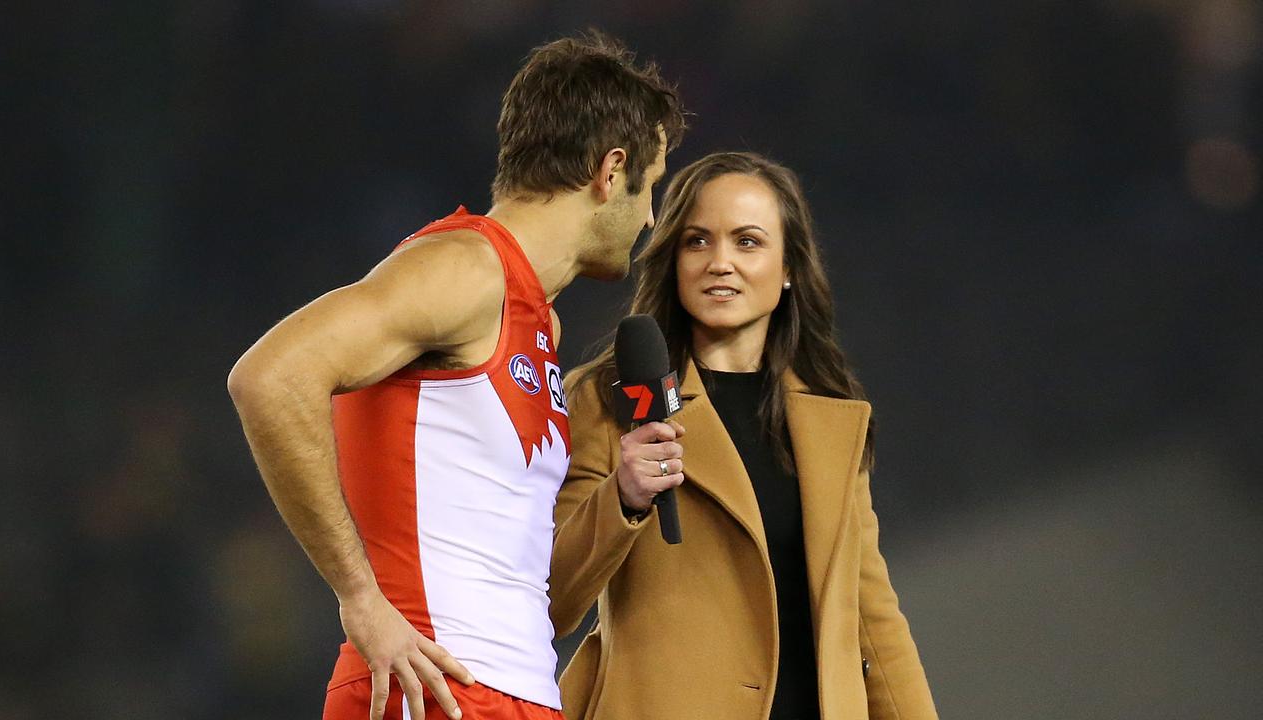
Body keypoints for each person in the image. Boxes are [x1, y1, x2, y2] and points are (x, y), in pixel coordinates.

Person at [227, 32, 684, 720]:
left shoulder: (537, 323)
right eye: (651, 188)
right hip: (431, 688)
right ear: (611, 171)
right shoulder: (465, 270)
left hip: (515, 692)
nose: (651, 216)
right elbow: (270, 377)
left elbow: (524, 584)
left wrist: (621, 495)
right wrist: (360, 597)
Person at [549, 152, 937, 720]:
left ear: (788, 269)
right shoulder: (609, 400)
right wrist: (623, 498)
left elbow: (872, 619)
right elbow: (548, 599)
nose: (720, 262)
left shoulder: (830, 418)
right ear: (673, 260)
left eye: (748, 241)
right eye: (698, 241)